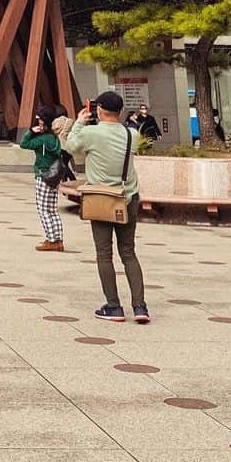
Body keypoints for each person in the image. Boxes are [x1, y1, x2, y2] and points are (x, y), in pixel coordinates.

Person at [63, 90, 149, 324]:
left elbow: (71, 147)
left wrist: (80, 123)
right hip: (127, 197)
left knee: (104, 253)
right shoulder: (132, 134)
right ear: (120, 112)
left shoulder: (91, 133)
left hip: (101, 199)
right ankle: (140, 306)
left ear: (99, 110)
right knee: (129, 252)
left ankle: (113, 306)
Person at [18, 108, 66, 252]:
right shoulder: (54, 138)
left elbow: (24, 144)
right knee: (52, 209)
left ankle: (51, 240)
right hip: (54, 177)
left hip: (43, 175)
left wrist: (31, 132)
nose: (38, 121)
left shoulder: (42, 139)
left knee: (42, 209)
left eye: (40, 119)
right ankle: (58, 239)